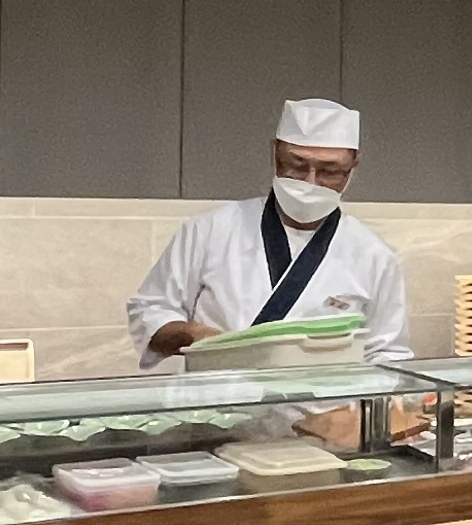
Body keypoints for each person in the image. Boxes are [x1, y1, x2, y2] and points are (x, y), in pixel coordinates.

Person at [128, 96, 412, 368]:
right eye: (297, 165)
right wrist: (193, 335)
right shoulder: (208, 230)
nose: (310, 182)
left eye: (330, 171)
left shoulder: (375, 257)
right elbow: (149, 311)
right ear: (275, 154)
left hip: (321, 401)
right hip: (216, 396)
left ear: (353, 167)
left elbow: (387, 353)